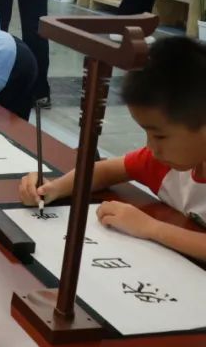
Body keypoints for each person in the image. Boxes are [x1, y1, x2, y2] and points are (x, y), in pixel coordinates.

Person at [19, 37, 206, 261]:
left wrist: (151, 228)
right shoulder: (162, 162)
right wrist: (53, 189)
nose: (150, 146)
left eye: (160, 136)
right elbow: (105, 171)